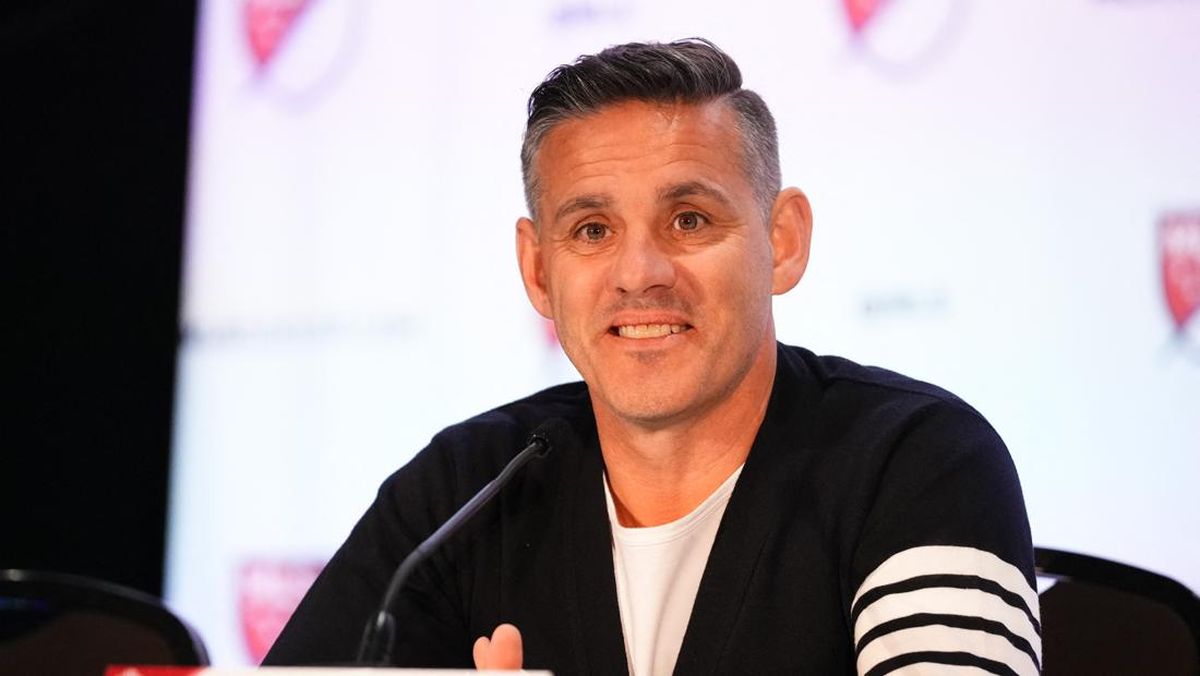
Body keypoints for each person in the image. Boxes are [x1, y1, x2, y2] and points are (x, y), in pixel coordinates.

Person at [264, 38, 1040, 675]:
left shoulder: (918, 463)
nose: (640, 273)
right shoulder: (464, 492)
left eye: (689, 219)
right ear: (538, 271)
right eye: (592, 231)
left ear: (783, 241)